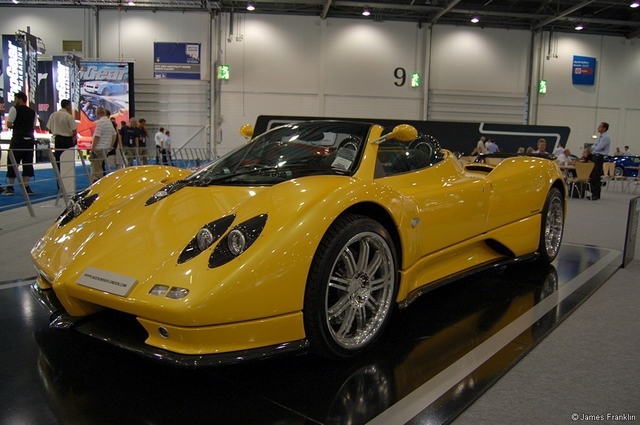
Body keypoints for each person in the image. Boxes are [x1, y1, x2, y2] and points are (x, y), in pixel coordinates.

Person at [3, 92, 37, 196]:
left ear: (20, 99)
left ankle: (10, 187)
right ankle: (26, 187)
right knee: (27, 163)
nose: (15, 100)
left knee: (13, 162)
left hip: (18, 139)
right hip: (29, 140)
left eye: (16, 98)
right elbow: (33, 126)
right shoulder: (33, 112)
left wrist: (18, 126)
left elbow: (9, 124)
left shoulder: (14, 109)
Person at [46, 99, 78, 185]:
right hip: (67, 140)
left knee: (58, 161)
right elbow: (74, 131)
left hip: (58, 140)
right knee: (68, 162)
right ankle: (68, 183)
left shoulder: (53, 115)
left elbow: (49, 130)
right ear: (67, 106)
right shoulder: (68, 116)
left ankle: (59, 184)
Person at [90, 107, 117, 183]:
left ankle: (96, 185)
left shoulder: (101, 122)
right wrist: (110, 146)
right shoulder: (109, 122)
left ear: (97, 114)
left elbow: (97, 136)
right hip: (106, 149)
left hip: (98, 149)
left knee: (95, 169)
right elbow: (114, 135)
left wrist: (92, 149)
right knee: (100, 168)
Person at [589, 122, 611, 200]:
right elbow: (594, 146)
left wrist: (595, 147)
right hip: (595, 156)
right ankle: (594, 193)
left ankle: (596, 194)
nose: (598, 128)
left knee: (596, 176)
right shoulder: (600, 137)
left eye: (600, 127)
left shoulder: (605, 137)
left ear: (604, 128)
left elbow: (598, 148)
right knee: (593, 175)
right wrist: (595, 147)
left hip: (599, 157)